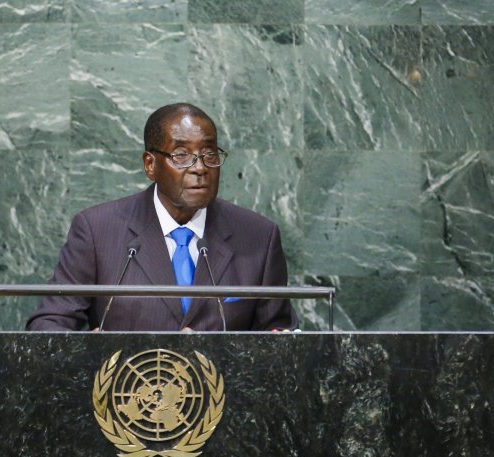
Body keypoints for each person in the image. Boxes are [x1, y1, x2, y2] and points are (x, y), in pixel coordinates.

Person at [26, 103, 298, 331]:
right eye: (181, 155)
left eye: (209, 154)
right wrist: (86, 352)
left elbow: (277, 335)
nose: (200, 168)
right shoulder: (97, 231)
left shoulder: (259, 237)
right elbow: (50, 322)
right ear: (150, 165)